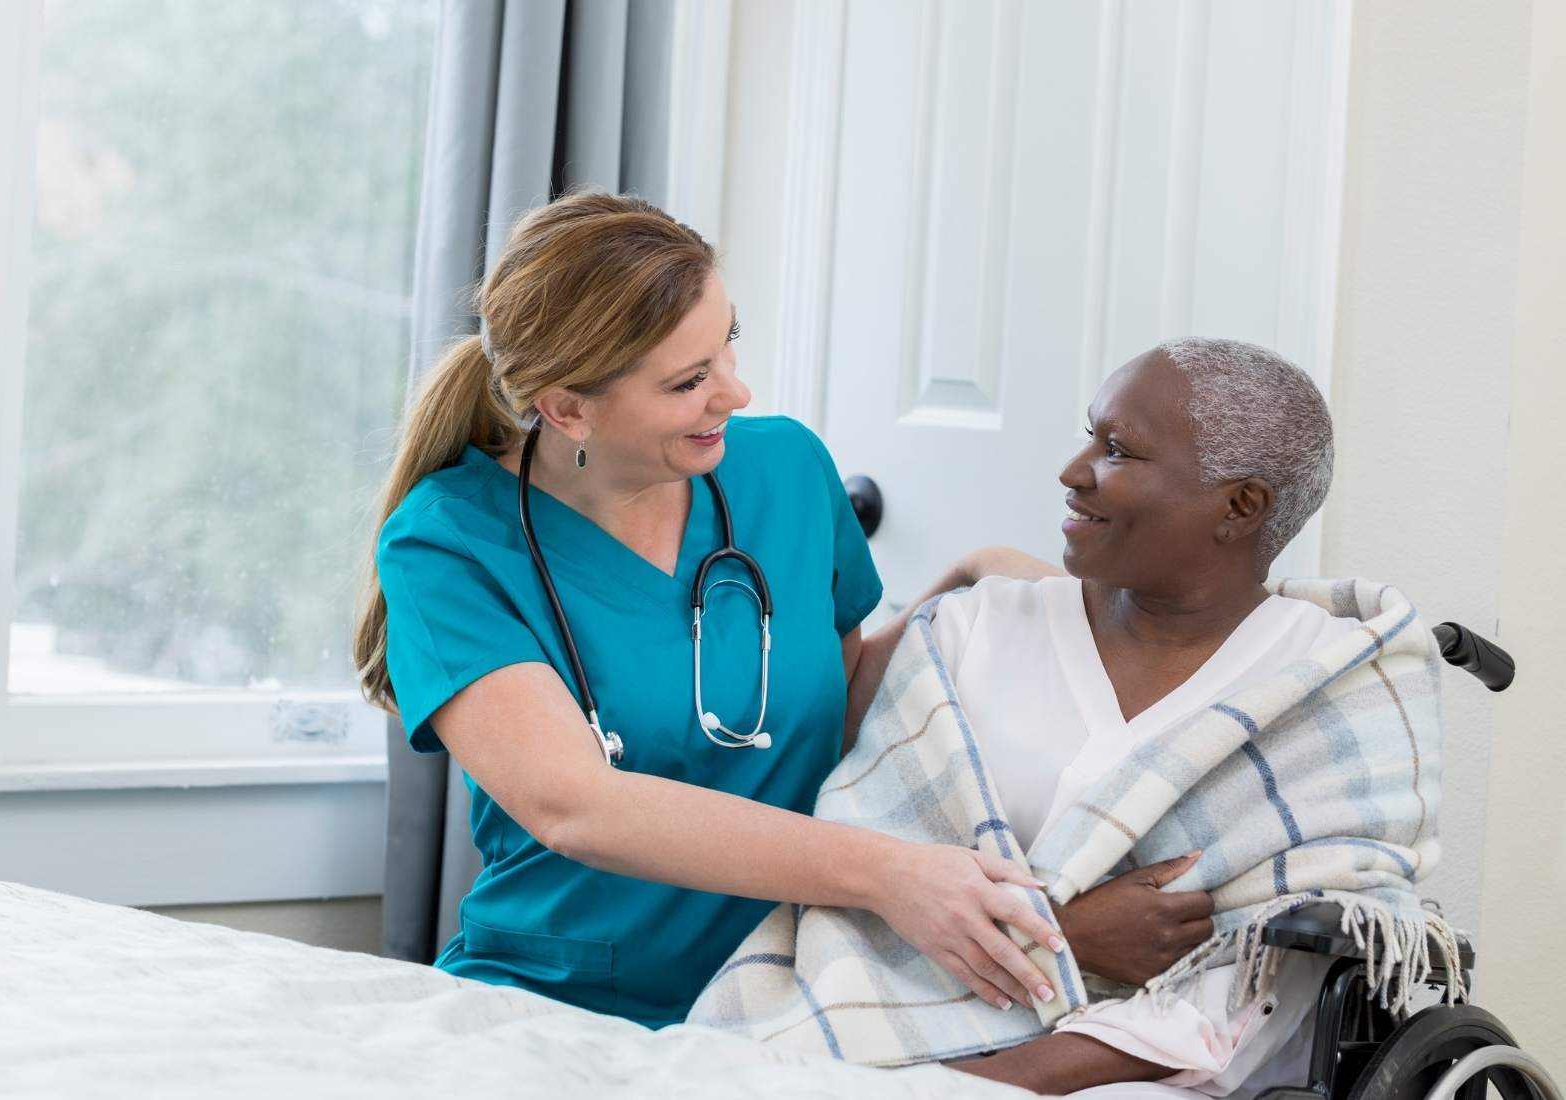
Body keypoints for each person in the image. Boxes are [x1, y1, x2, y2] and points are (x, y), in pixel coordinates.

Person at [352, 192, 1201, 1029]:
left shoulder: (787, 469)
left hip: (795, 991)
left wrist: (963, 592)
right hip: (566, 1005)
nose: (738, 392)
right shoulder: (449, 545)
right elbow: (576, 805)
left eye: (729, 344)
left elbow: (832, 704)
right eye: (690, 381)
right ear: (568, 408)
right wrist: (893, 875)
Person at [847, 339, 1366, 1097]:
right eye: (1090, 432)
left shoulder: (1324, 684)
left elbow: (1258, 989)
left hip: (1182, 1073)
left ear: (1240, 506)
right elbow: (859, 859)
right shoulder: (974, 629)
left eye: (1117, 450)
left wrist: (959, 1086)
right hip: (908, 1020)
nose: (1072, 470)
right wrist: (1065, 934)